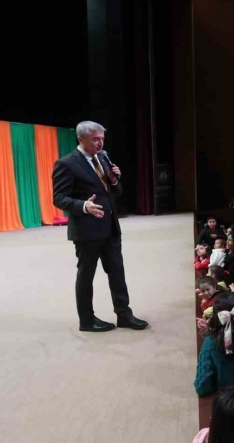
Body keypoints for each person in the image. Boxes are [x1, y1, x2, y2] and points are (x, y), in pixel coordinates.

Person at [52, 120, 147, 332]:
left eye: (102, 138)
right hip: (87, 230)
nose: (100, 143)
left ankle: (124, 314)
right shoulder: (66, 164)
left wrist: (114, 181)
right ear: (81, 139)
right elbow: (59, 198)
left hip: (110, 227)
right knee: (86, 276)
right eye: (95, 139)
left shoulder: (103, 159)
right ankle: (87, 320)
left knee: (117, 272)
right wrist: (83, 205)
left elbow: (115, 192)